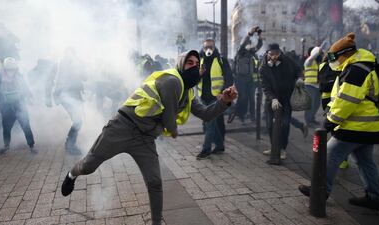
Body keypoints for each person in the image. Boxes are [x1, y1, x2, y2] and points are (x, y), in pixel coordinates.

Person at [60, 50, 237, 225]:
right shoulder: (172, 80)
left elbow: (206, 114)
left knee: (154, 182)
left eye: (197, 65)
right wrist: (173, 130)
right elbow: (168, 117)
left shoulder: (189, 93)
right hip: (122, 127)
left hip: (144, 138)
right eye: (189, 63)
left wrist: (224, 101)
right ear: (181, 64)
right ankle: (71, 175)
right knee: (89, 165)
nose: (194, 66)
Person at [299, 33, 379, 211]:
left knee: (329, 153)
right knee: (365, 161)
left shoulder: (356, 69)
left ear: (345, 54)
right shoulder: (358, 65)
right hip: (368, 126)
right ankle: (375, 197)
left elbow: (347, 100)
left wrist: (330, 122)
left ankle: (320, 191)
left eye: (334, 57)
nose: (332, 61)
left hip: (356, 125)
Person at [260, 43, 303, 160]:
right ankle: (274, 147)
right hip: (271, 100)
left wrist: (299, 78)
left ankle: (283, 148)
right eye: (271, 54)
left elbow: (298, 70)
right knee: (269, 125)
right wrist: (272, 98)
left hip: (286, 98)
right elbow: (265, 86)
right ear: (267, 54)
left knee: (285, 124)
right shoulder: (263, 67)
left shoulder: (288, 61)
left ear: (279, 53)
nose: (274, 57)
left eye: (276, 54)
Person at [196, 39, 233, 159]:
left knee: (209, 123)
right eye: (206, 47)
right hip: (203, 97)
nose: (208, 50)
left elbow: (229, 79)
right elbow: (195, 80)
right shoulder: (200, 60)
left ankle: (206, 149)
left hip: (216, 98)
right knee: (213, 123)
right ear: (203, 47)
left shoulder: (221, 60)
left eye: (210, 47)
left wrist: (222, 92)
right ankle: (219, 145)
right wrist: (198, 74)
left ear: (214, 47)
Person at [46, 47, 87, 155]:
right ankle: (70, 145)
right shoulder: (58, 64)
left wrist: (81, 66)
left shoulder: (77, 64)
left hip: (74, 95)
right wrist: (47, 97)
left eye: (72, 54)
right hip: (63, 95)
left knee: (78, 120)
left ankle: (70, 144)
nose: (70, 56)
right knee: (78, 120)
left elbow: (85, 77)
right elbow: (49, 80)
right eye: (68, 54)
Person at [0, 57, 37, 154]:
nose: (10, 71)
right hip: (6, 107)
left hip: (20, 106)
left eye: (12, 69)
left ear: (15, 68)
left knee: (26, 126)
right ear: (5, 68)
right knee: (6, 127)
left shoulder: (19, 76)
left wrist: (30, 97)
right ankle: (6, 145)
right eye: (8, 69)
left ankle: (31, 146)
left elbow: (25, 88)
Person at [231, 26, 263, 123]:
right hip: (240, 79)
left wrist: (260, 36)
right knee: (243, 98)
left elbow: (259, 45)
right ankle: (242, 115)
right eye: (248, 44)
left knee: (252, 99)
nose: (250, 45)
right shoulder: (240, 52)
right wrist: (250, 33)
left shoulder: (251, 53)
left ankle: (253, 117)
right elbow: (243, 43)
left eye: (250, 44)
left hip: (250, 79)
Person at [304, 45, 324, 126]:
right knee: (310, 104)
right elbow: (312, 57)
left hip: (317, 85)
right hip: (309, 85)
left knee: (316, 104)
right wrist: (316, 51)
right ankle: (308, 121)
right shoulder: (309, 61)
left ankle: (312, 118)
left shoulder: (318, 62)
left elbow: (331, 60)